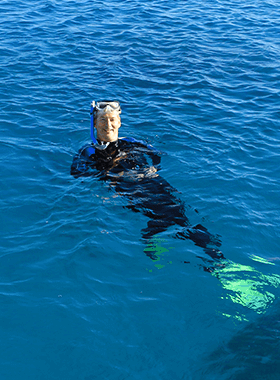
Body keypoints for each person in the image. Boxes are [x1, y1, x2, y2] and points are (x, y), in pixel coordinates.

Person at [71, 100, 225, 263]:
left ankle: (207, 253)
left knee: (178, 211)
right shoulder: (88, 151)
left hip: (153, 181)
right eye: (103, 120)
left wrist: (154, 168)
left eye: (112, 119)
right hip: (129, 188)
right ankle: (212, 257)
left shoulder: (130, 141)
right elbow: (77, 173)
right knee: (169, 215)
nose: (108, 125)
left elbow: (156, 153)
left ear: (119, 122)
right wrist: (112, 176)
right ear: (94, 123)